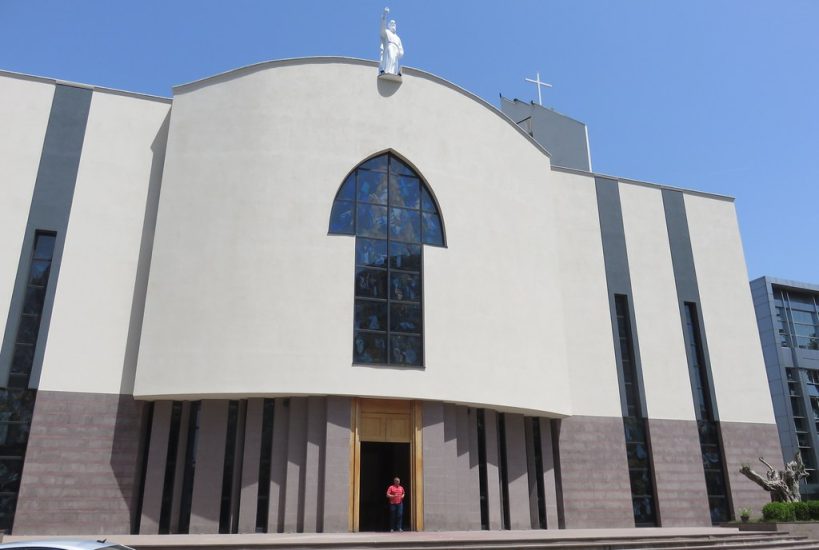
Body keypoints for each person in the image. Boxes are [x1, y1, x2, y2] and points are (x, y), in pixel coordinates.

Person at [379, 7, 404, 75]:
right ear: (389, 25)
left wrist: (400, 52)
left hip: (396, 50)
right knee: (390, 58)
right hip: (390, 46)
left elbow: (400, 48)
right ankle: (388, 71)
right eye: (392, 24)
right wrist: (384, 15)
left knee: (395, 62)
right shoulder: (387, 32)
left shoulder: (398, 38)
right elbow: (382, 27)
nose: (393, 25)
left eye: (394, 24)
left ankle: (393, 72)